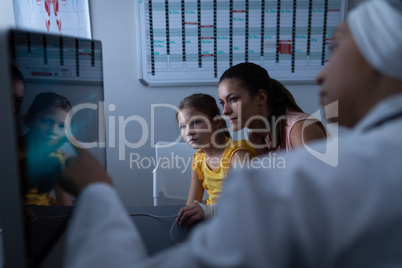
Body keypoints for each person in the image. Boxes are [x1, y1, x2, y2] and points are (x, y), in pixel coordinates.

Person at [60, 0, 402, 266]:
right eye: (222, 103)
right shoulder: (258, 139)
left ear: (384, 57)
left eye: (336, 49)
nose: (319, 75)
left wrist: (96, 191)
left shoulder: (299, 138)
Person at [176, 93, 256, 226]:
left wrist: (208, 211)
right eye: (183, 126)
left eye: (196, 122)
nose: (188, 131)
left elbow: (247, 204)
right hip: (214, 223)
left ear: (216, 122)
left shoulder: (237, 156)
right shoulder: (198, 160)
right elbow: (191, 205)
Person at [218, 62, 327, 155]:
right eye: (222, 103)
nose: (225, 111)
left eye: (233, 99)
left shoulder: (301, 129)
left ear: (261, 97)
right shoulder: (255, 136)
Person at [21, 92, 73, 206]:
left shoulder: (59, 159)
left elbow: (65, 207)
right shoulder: (9, 152)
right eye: (45, 121)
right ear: (28, 120)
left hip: (45, 214)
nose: (53, 131)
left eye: (61, 126)